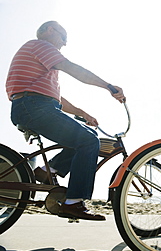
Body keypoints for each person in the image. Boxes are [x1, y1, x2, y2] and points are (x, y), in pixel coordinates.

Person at [6, 21, 125, 220]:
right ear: (50, 30)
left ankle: (47, 170)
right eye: (64, 38)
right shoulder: (40, 45)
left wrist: (83, 114)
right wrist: (108, 86)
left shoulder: (40, 61)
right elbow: (71, 68)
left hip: (33, 106)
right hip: (34, 106)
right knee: (89, 141)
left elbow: (55, 99)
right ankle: (74, 202)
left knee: (86, 136)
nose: (64, 44)